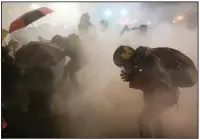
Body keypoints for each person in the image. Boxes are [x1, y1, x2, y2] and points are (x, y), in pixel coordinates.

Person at [113, 45, 197, 137]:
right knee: (153, 116)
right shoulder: (144, 56)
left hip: (168, 92)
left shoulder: (143, 60)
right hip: (173, 87)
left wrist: (134, 77)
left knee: (143, 121)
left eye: (123, 66)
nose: (125, 70)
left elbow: (160, 79)